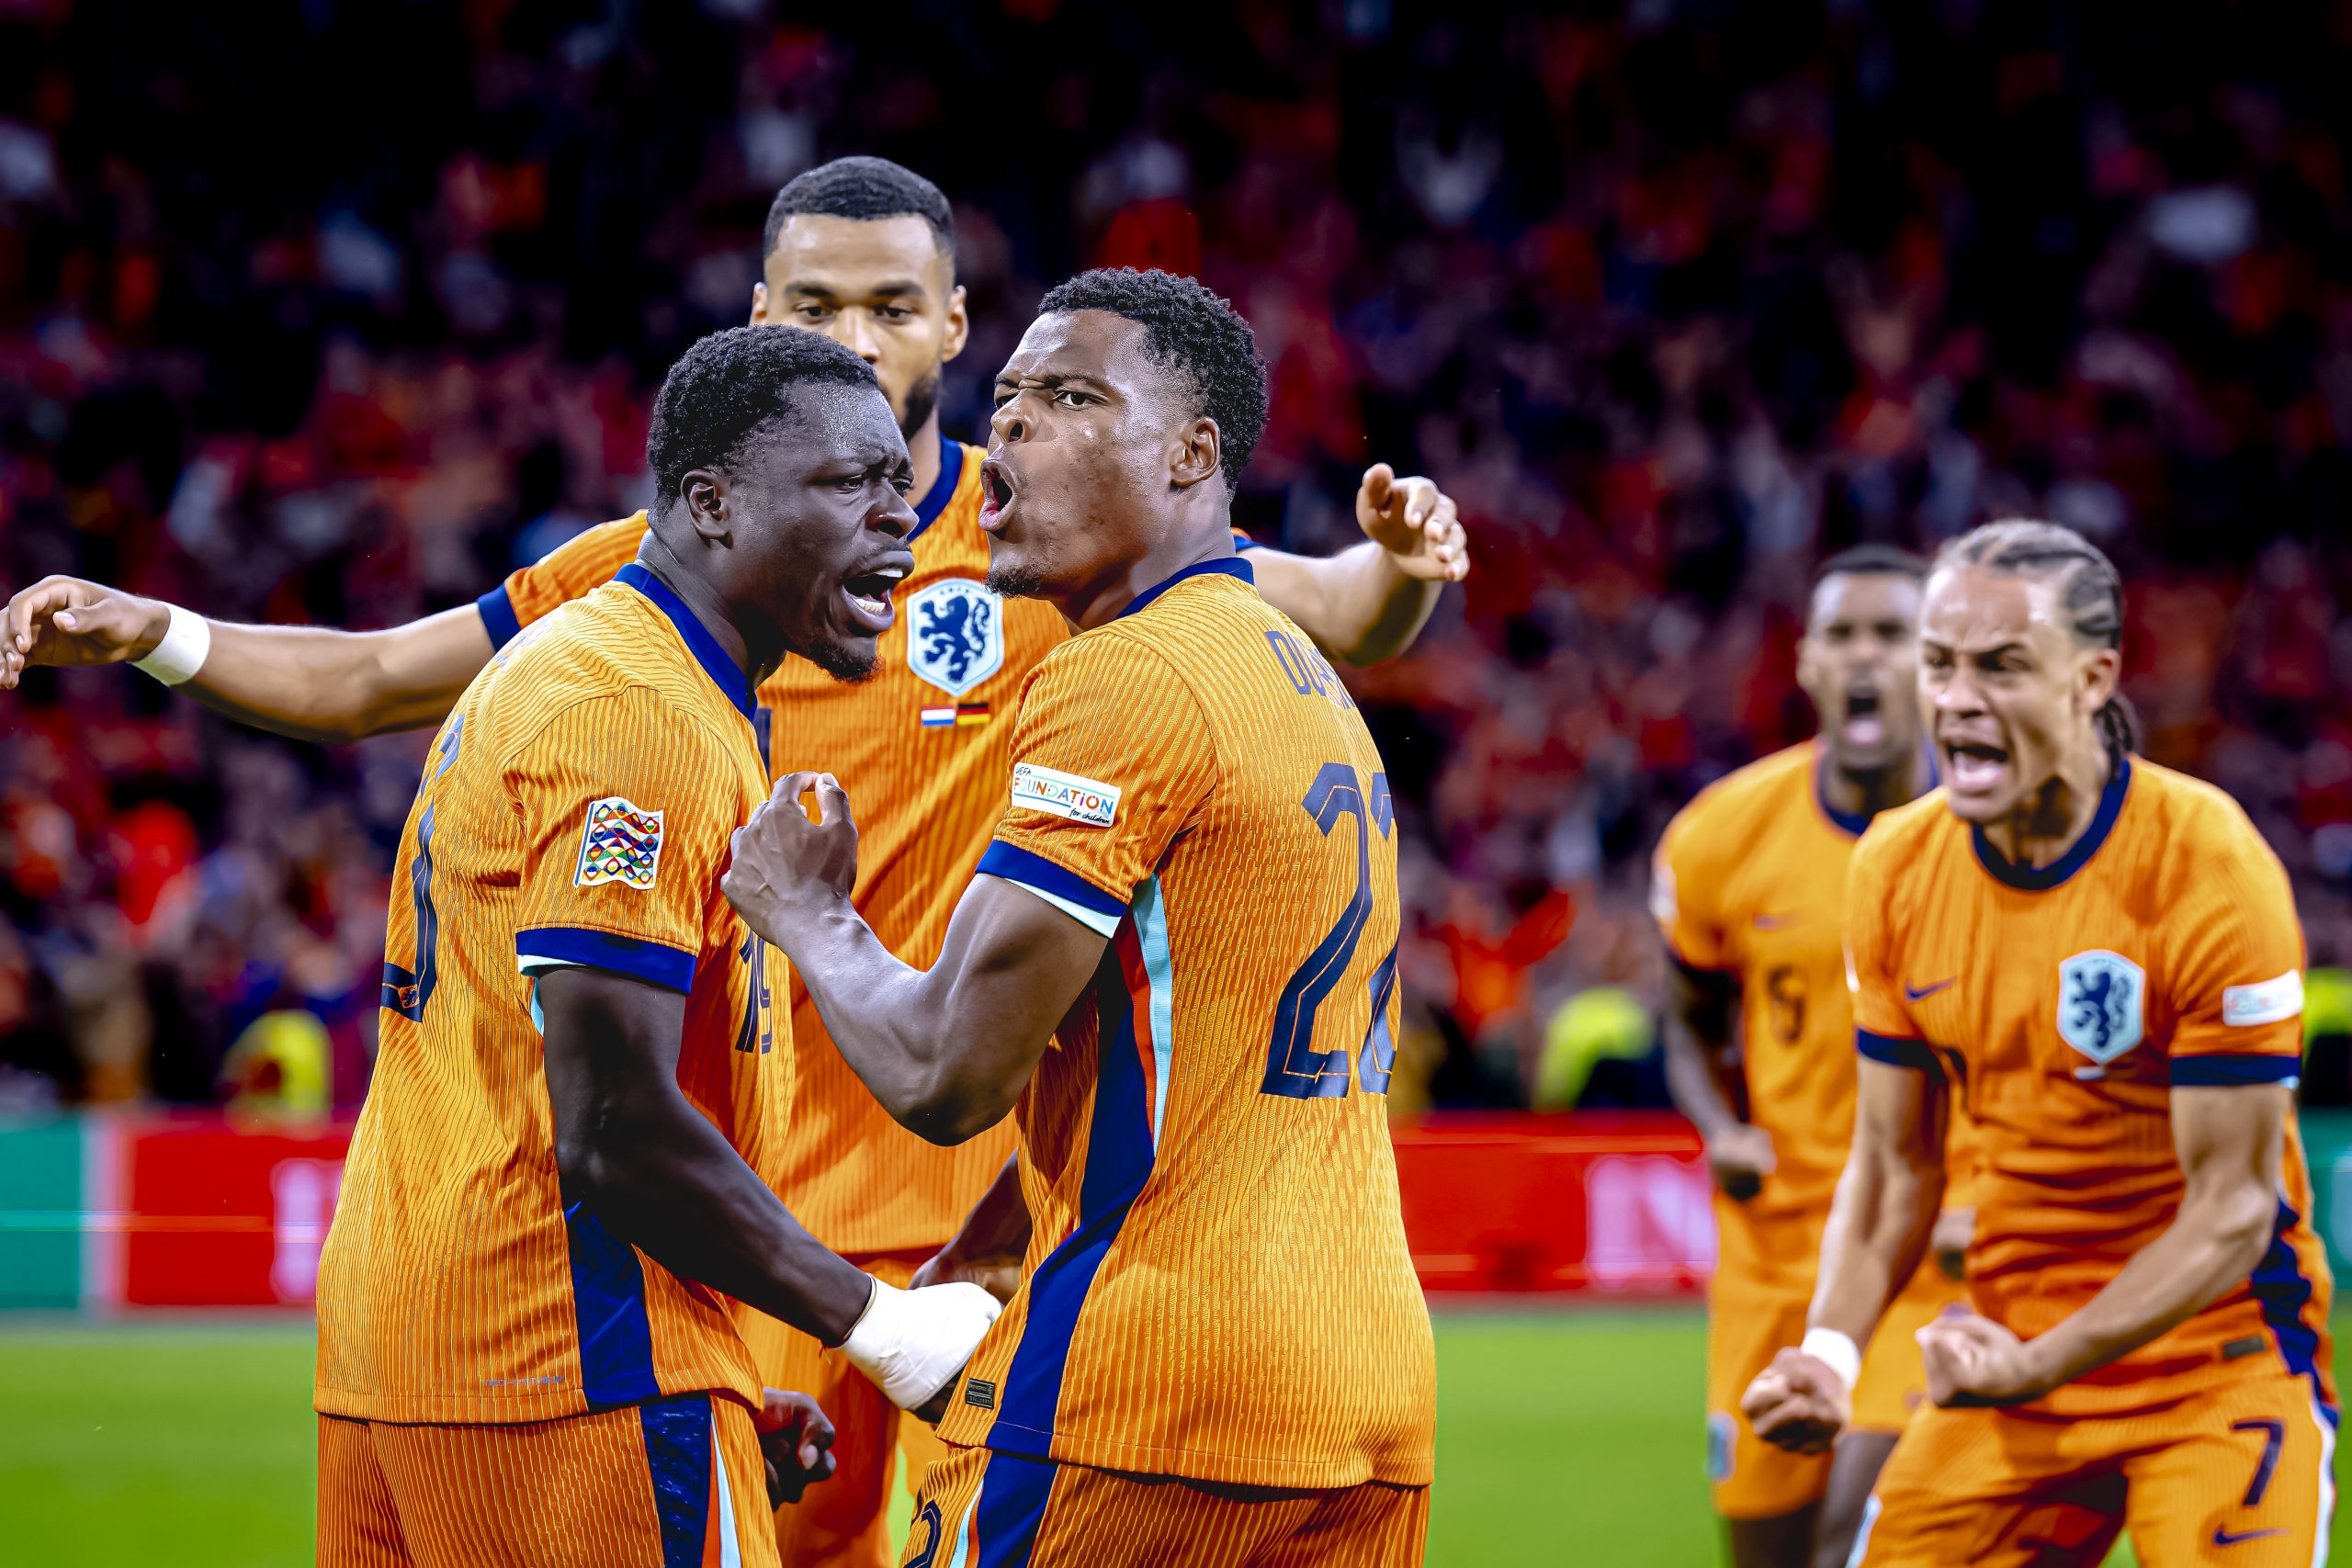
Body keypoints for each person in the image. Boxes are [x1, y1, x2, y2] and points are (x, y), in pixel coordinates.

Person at [0, 157, 1466, 1568]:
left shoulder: (1053, 543)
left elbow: (1329, 602)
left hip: (983, 1203)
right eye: (818, 306)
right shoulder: (657, 599)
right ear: (758, 323)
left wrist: (1401, 561)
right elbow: (383, 669)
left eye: (894, 305)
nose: (859, 337)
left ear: (953, 324)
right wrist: (165, 634)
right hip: (748, 1205)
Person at [722, 268, 1434, 1565]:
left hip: (1144, 1391)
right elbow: (1186, 1054)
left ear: (1192, 451)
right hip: (1361, 1378)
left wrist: (810, 911)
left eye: (1068, 395)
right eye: (1008, 398)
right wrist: (989, 1236)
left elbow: (947, 1070)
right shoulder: (1300, 677)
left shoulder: (1122, 672)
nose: (1014, 429)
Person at [313, 327, 1003, 1568]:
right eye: (851, 485)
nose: (899, 521)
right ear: (713, 503)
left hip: (423, 1355)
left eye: (900, 482)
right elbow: (614, 1120)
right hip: (569, 1370)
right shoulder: (640, 715)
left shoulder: (609, 671)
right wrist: (879, 1322)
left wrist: (724, 1364)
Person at [1740, 520, 2335, 1564]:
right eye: (1939, 664)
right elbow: (1893, 1166)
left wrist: (2039, 1361)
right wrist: (1829, 1354)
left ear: (2093, 679)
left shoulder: (2207, 867)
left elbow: (2233, 1211)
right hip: (2010, 1348)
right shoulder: (1895, 870)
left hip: (2216, 1359)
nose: (1955, 699)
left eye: (2002, 666)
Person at [1653, 545, 1978, 1568]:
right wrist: (1722, 1128)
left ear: (1933, 663)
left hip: (1927, 1247)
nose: (1866, 659)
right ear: (1806, 664)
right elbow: (1687, 1021)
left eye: (1893, 636)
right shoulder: (1723, 836)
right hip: (1775, 1248)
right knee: (1770, 1551)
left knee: (1859, 1534)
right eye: (1843, 636)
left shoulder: (1990, 838)